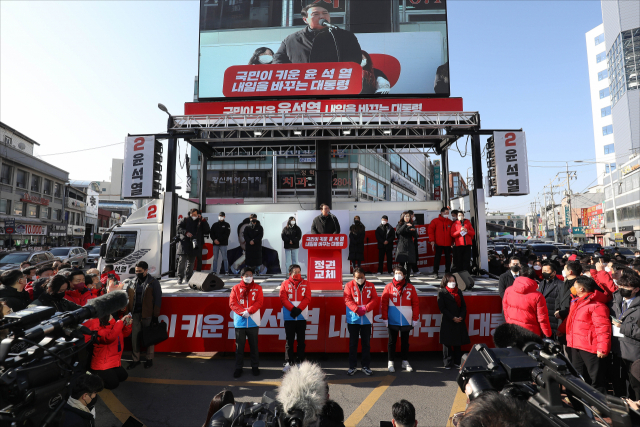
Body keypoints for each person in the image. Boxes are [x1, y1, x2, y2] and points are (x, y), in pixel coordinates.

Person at [564, 275, 611, 392]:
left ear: (582, 289)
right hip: (576, 344)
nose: (572, 288)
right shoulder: (576, 302)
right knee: (578, 375)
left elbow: (603, 328)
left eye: (574, 286)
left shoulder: (597, 306)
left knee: (596, 378)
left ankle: (600, 403)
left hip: (591, 347)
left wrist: (603, 348)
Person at [273, 4, 361, 65]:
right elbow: (278, 61)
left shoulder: (344, 36)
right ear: (305, 20)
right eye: (316, 14)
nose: (322, 16)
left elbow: (355, 59)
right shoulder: (292, 40)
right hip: (303, 84)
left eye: (325, 13)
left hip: (334, 83)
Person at [381, 266, 420, 373]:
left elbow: (415, 304)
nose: (398, 275)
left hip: (406, 319)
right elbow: (384, 304)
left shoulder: (410, 287)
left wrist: (415, 318)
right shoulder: (388, 287)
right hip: (392, 319)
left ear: (404, 275)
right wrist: (385, 318)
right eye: (396, 273)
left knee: (405, 342)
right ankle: (390, 362)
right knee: (392, 342)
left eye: (400, 273)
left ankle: (404, 361)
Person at [609, 269, 640, 399]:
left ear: (636, 289)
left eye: (626, 287)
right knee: (617, 381)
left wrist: (623, 327)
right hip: (615, 348)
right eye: (620, 286)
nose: (622, 289)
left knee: (633, 385)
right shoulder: (615, 300)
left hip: (633, 352)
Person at [126, 261, 162, 370]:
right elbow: (128, 298)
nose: (137, 273)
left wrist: (155, 316)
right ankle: (135, 360)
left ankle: (149, 359)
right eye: (136, 271)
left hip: (148, 314)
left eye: (140, 271)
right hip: (135, 314)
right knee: (135, 338)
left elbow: (158, 300)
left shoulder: (153, 282)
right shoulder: (132, 282)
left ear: (146, 271)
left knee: (149, 338)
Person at [344, 268, 379, 376]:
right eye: (357, 277)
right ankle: (352, 366)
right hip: (353, 319)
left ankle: (365, 366)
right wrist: (356, 309)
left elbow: (375, 299)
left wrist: (366, 308)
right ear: (353, 277)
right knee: (353, 344)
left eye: (361, 277)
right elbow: (347, 299)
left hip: (367, 319)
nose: (360, 279)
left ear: (365, 276)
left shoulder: (370, 285)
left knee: (366, 344)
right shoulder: (349, 285)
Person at [229, 267, 263, 378]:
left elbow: (259, 302)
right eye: (246, 275)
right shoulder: (235, 288)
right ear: (242, 277)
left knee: (254, 346)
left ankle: (255, 367)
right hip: (240, 322)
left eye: (250, 275)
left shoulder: (258, 288)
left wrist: (249, 311)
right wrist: (242, 312)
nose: (249, 277)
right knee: (240, 347)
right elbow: (232, 303)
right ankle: (238, 368)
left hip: (253, 321)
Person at [502, 266, 552, 338]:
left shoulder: (508, 290)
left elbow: (505, 310)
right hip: (531, 333)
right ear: (534, 279)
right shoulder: (538, 296)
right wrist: (547, 334)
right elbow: (542, 318)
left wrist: (508, 323)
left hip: (512, 330)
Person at [279, 264, 311, 372]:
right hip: (289, 316)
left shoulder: (306, 283)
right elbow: (283, 298)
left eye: (299, 272)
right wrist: (293, 309)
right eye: (294, 272)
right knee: (289, 341)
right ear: (290, 273)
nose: (297, 274)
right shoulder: (284, 284)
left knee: (301, 340)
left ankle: (300, 361)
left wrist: (299, 309)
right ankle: (289, 361)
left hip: (301, 316)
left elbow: (307, 298)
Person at [90, 313, 132, 390]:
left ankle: (104, 375)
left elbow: (124, 334)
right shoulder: (99, 330)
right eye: (109, 313)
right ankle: (93, 376)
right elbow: (110, 337)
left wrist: (127, 325)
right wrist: (120, 322)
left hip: (111, 362)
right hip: (101, 365)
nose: (111, 314)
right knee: (113, 384)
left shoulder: (114, 326)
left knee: (123, 376)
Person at [437, 273, 470, 369]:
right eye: (450, 281)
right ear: (445, 282)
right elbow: (442, 308)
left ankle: (457, 361)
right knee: (447, 342)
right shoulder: (442, 292)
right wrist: (452, 317)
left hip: (459, 320)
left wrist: (461, 316)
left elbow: (463, 306)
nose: (452, 283)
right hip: (448, 320)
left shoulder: (458, 292)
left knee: (457, 342)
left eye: (453, 281)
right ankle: (447, 362)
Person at [176, 208, 208, 284]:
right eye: (192, 214)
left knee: (191, 262)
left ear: (198, 215)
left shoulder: (200, 221)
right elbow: (178, 227)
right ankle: (180, 277)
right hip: (184, 243)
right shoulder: (185, 220)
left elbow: (207, 230)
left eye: (195, 215)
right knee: (182, 262)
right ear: (190, 214)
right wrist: (186, 232)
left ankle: (188, 277)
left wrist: (203, 220)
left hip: (194, 244)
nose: (194, 216)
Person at [537, 261, 564, 337]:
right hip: (543, 317)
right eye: (543, 271)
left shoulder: (560, 285)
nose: (544, 272)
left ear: (554, 272)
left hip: (554, 319)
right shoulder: (542, 283)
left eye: (546, 271)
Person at [428, 207, 453, 278]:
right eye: (445, 213)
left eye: (448, 213)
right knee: (437, 258)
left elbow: (452, 233)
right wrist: (432, 241)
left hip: (448, 244)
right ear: (441, 213)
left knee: (448, 259)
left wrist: (452, 242)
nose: (447, 214)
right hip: (438, 243)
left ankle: (447, 272)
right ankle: (435, 272)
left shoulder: (450, 222)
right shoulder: (435, 221)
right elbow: (430, 231)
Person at [395, 212, 417, 282]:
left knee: (409, 264)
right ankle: (400, 278)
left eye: (408, 216)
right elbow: (398, 232)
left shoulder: (412, 224)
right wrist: (405, 225)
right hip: (402, 246)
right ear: (403, 217)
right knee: (401, 263)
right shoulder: (399, 224)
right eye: (405, 216)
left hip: (410, 246)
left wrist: (414, 231)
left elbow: (416, 236)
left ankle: (407, 278)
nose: (407, 218)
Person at [210, 211, 231, 275]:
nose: (220, 217)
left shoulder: (227, 225)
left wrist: (218, 240)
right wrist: (214, 240)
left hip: (223, 244)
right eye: (219, 216)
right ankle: (214, 271)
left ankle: (226, 271)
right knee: (215, 258)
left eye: (222, 216)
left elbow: (226, 234)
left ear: (224, 217)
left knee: (225, 258)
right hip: (215, 244)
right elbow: (211, 233)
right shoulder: (214, 225)